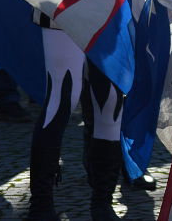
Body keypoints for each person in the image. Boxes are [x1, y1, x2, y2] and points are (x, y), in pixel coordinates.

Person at [27, 22, 123, 220]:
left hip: (110, 8)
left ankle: (102, 202)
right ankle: (41, 205)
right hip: (62, 6)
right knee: (60, 97)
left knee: (110, 103)